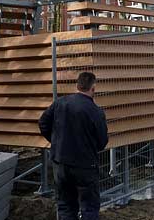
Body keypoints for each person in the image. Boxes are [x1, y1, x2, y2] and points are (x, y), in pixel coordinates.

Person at [39, 71, 108, 220]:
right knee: (89, 208)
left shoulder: (60, 103)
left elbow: (43, 123)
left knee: (65, 206)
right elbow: (102, 142)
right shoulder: (96, 112)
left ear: (77, 85)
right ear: (93, 88)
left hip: (60, 163)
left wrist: (56, 142)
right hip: (85, 166)